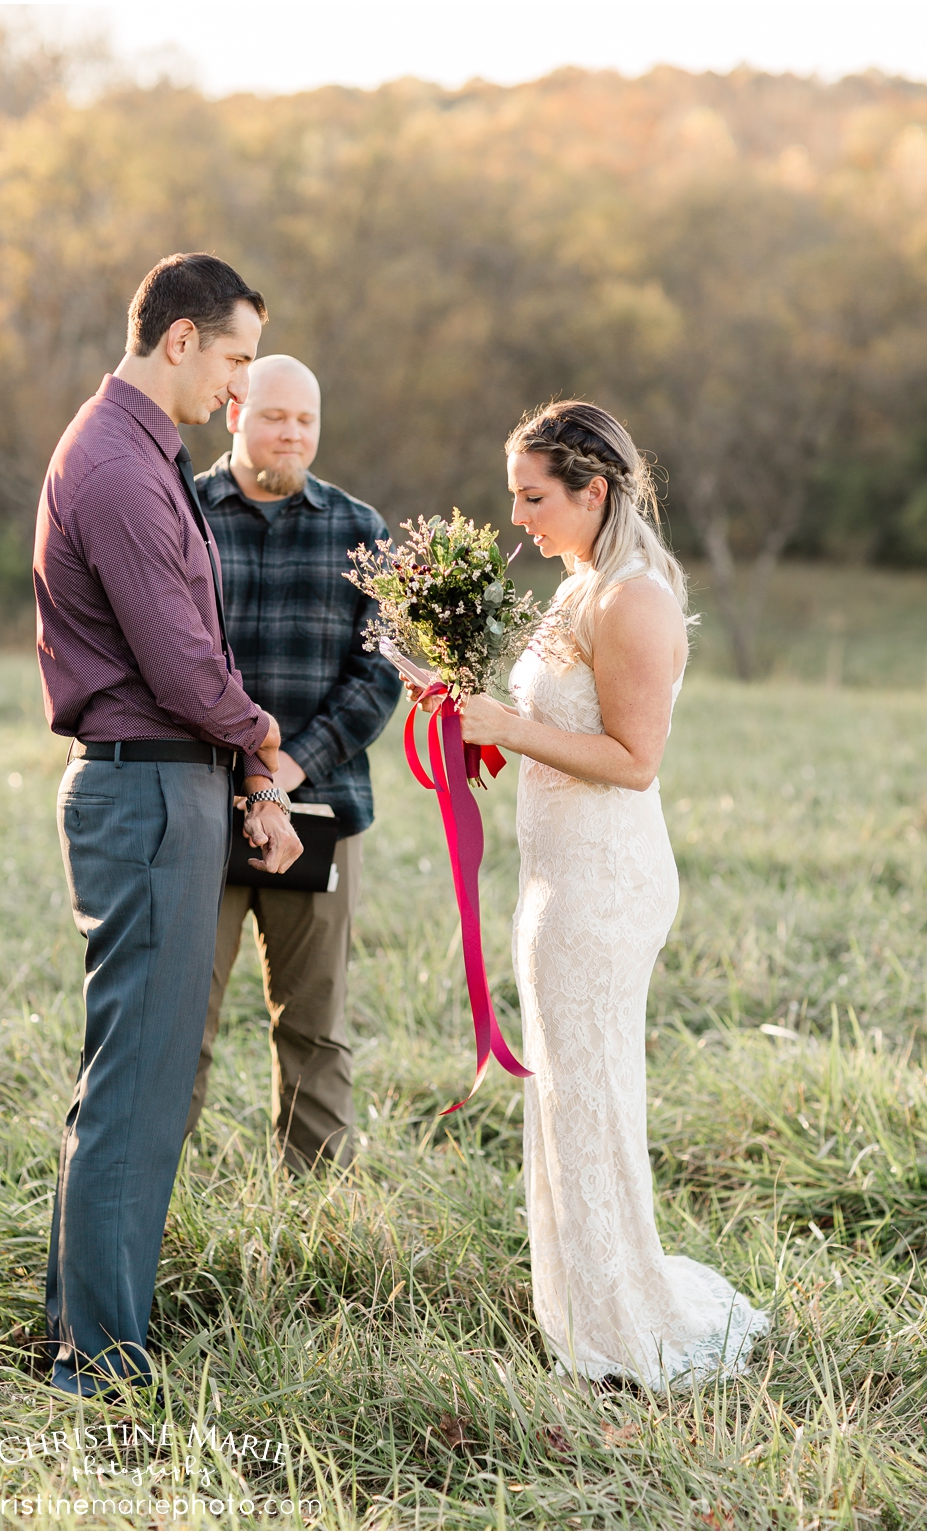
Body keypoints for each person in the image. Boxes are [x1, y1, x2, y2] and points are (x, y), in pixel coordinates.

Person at [425, 400, 768, 1386]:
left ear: (593, 489)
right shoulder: (574, 586)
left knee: (591, 1095)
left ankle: (624, 1326)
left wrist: (512, 725)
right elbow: (550, 722)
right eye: (514, 497)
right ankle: (582, 1304)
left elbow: (633, 757)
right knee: (565, 1093)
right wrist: (479, 725)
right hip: (554, 873)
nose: (519, 518)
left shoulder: (633, 599)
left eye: (534, 498)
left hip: (603, 883)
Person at [32, 252, 301, 1397]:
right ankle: (96, 1361)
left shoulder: (143, 454)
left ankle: (79, 1331)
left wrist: (239, 760)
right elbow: (185, 663)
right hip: (145, 789)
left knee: (128, 1079)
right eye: (236, 359)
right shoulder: (119, 467)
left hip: (165, 785)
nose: (239, 391)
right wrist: (263, 740)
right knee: (139, 1086)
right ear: (180, 339)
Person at [186, 354, 400, 1170]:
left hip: (321, 811)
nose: (292, 433)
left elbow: (380, 675)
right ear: (235, 409)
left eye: (306, 420)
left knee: (314, 1026)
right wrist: (248, 775)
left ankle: (317, 1224)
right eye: (276, 416)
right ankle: (148, 1217)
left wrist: (285, 771)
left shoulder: (362, 530)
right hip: (199, 807)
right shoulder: (185, 514)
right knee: (177, 1026)